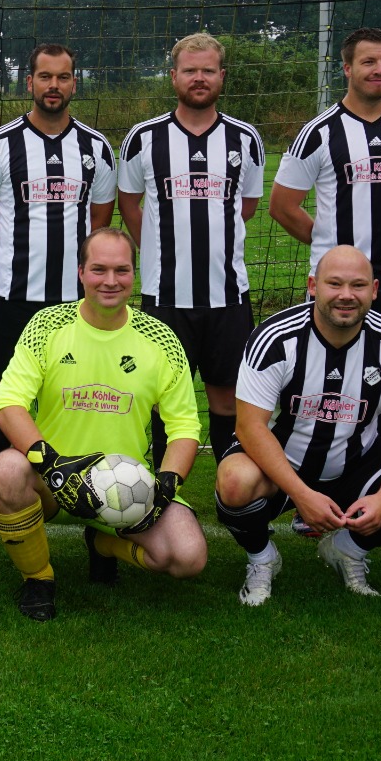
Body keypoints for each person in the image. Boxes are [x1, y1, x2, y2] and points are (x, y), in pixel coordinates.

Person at [0, 227, 207, 621]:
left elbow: (185, 427)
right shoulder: (47, 325)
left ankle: (103, 544)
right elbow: (7, 402)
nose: (110, 281)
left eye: (121, 270)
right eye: (99, 269)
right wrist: (51, 463)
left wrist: (168, 483)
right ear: (81, 273)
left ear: (134, 274)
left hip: (124, 489)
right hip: (53, 482)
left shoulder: (161, 339)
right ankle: (38, 578)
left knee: (187, 556)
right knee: (5, 469)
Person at [215, 245, 381, 606]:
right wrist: (302, 494)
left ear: (374, 290)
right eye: (334, 284)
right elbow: (250, 427)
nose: (346, 295)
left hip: (358, 463)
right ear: (313, 286)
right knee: (234, 480)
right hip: (285, 462)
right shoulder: (275, 338)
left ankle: (347, 548)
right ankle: (262, 558)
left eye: (358, 285)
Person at [0, 42, 116, 528]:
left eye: (63, 77)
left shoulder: (96, 148)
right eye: (45, 77)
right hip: (13, 296)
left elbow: (100, 221)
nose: (53, 85)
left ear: (74, 84)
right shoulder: (0, 144)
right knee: (1, 394)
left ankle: (75, 484)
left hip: (74, 300)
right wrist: (9, 258)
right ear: (29, 82)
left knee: (75, 391)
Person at [117, 32, 264, 464]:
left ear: (222, 76)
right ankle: (165, 488)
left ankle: (230, 485)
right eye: (190, 70)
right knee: (164, 397)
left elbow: (246, 207)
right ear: (173, 76)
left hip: (227, 297)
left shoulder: (245, 138)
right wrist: (158, 249)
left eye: (208, 70)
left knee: (228, 397)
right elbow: (129, 203)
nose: (199, 78)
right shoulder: (143, 138)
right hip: (165, 298)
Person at [268, 27, 381, 351]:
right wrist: (329, 242)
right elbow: (282, 206)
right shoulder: (318, 133)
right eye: (368, 62)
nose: (379, 70)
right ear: (347, 68)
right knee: (327, 373)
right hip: (335, 287)